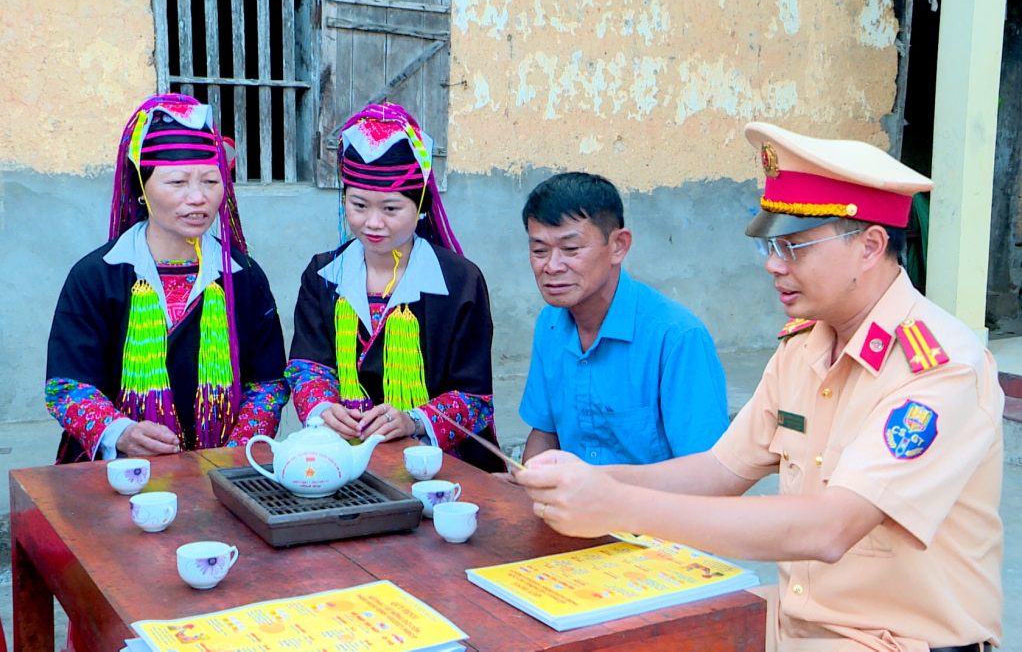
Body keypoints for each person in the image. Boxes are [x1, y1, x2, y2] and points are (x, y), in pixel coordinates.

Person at [516, 124, 1004, 651]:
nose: (774, 264)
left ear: (870, 245)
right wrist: (587, 479)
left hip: (897, 640)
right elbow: (718, 471)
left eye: (795, 246)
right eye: (772, 245)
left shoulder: (940, 367)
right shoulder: (803, 349)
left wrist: (617, 506)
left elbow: (828, 529)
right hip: (794, 623)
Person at [45, 94, 289, 463]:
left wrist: (235, 451)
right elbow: (66, 386)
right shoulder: (97, 275)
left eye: (210, 180)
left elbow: (268, 384)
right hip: (117, 471)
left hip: (221, 470)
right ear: (141, 187)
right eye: (177, 182)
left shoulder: (244, 277)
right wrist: (120, 432)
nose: (198, 198)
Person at [285, 102, 504, 473]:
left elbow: (476, 396)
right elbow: (308, 365)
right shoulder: (322, 275)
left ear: (420, 205)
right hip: (345, 455)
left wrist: (414, 421)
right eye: (358, 205)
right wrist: (325, 409)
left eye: (390, 209)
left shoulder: (459, 281)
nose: (373, 223)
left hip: (438, 462)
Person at [518, 172, 729, 466]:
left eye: (571, 249)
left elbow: (708, 472)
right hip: (569, 507)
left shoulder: (677, 337)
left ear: (618, 246)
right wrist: (531, 487)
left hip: (657, 510)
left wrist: (600, 492)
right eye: (539, 250)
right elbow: (544, 434)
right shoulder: (550, 324)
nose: (552, 266)